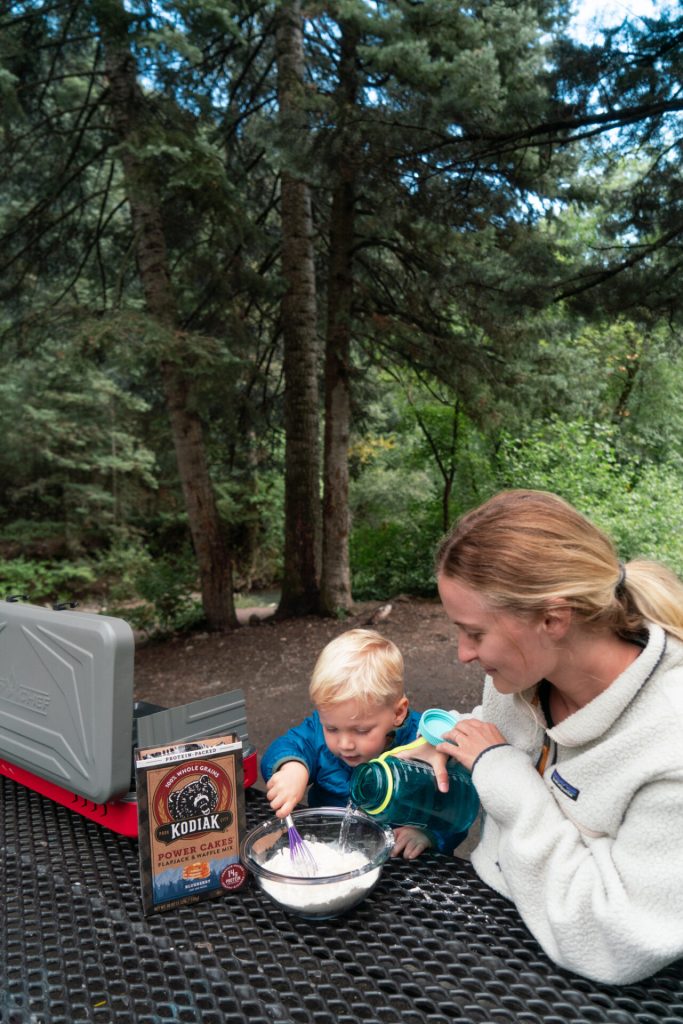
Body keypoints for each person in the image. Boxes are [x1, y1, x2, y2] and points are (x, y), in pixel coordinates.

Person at [416, 488, 683, 984]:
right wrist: (452, 738)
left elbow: (616, 940)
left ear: (553, 619)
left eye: (474, 633)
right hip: (496, 929)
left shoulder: (669, 744)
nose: (463, 654)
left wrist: (502, 777)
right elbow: (515, 742)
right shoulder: (518, 680)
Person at [260, 627, 469, 859]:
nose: (345, 743)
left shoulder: (423, 748)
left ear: (398, 712)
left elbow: (455, 809)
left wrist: (427, 834)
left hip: (403, 863)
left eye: (361, 730)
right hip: (332, 851)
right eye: (332, 728)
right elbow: (291, 745)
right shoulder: (318, 733)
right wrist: (291, 767)